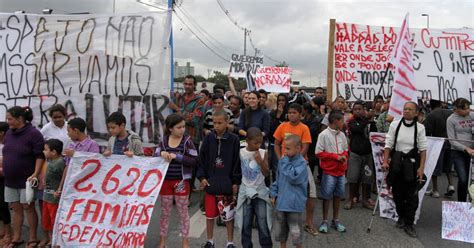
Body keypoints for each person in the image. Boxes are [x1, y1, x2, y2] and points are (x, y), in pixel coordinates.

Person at [382, 102, 427, 238]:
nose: (406, 111)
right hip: (397, 162)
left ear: (416, 113)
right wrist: (385, 161)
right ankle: (401, 217)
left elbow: (423, 149)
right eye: (405, 109)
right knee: (397, 192)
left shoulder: (420, 128)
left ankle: (409, 223)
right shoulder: (395, 125)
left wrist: (421, 167)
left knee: (412, 195)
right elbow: (388, 144)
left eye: (410, 109)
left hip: (412, 164)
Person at [197, 110, 241, 248]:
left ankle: (230, 242)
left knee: (228, 216)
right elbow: (201, 159)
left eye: (220, 123)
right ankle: (210, 240)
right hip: (211, 182)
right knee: (209, 215)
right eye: (214, 123)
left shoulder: (234, 139)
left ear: (227, 122)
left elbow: (236, 162)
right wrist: (202, 177)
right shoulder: (208, 139)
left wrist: (235, 182)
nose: (216, 126)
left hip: (227, 183)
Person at [273, 103, 318, 236]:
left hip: (301, 164)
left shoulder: (304, 128)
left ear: (300, 114)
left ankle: (309, 222)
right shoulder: (282, 126)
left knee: (311, 192)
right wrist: (281, 159)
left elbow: (305, 147)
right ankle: (284, 217)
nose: (291, 115)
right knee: (281, 188)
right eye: (290, 112)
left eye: (294, 113)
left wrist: (296, 160)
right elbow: (276, 144)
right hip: (285, 164)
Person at [2, 106, 44, 248]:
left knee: (28, 207)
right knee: (15, 208)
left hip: (26, 180)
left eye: (10, 119)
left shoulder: (33, 133)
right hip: (10, 180)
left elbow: (39, 156)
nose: (8, 122)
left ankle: (32, 238)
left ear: (20, 119)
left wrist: (35, 174)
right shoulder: (8, 133)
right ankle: (17, 237)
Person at [156, 114, 198, 248]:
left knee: (183, 212)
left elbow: (195, 160)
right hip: (166, 181)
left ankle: (185, 242)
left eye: (183, 126)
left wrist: (178, 157)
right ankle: (163, 241)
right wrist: (160, 153)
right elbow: (154, 155)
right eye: (178, 127)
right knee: (165, 212)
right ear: (170, 129)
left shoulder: (187, 141)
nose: (182, 129)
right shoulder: (163, 141)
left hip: (181, 182)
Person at [235, 128, 272, 248]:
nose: (258, 145)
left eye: (260, 142)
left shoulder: (263, 152)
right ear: (247, 141)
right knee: (245, 224)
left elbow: (266, 173)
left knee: (263, 223)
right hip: (245, 192)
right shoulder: (241, 152)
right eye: (255, 143)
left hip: (260, 192)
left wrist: (260, 162)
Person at [270, 135, 308, 248]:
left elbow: (293, 177)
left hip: (294, 206)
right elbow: (278, 179)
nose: (285, 151)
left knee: (296, 235)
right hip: (281, 204)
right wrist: (273, 193)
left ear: (298, 148)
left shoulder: (301, 163)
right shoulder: (283, 161)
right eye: (284, 148)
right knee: (281, 234)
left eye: (288, 148)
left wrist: (285, 162)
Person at [315, 111, 349, 234]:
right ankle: (324, 220)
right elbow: (318, 152)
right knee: (326, 196)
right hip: (329, 171)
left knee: (338, 196)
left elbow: (345, 149)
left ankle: (336, 219)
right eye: (341, 120)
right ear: (335, 121)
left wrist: (344, 156)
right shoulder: (323, 135)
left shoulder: (342, 135)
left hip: (341, 171)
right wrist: (336, 157)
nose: (343, 122)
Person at [345, 102, 376, 210]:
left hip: (367, 154)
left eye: (360, 109)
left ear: (364, 110)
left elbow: (375, 133)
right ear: (353, 111)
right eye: (355, 109)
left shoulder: (369, 122)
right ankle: (351, 199)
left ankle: (365, 200)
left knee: (367, 178)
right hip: (355, 154)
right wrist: (367, 119)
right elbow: (357, 130)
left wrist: (371, 121)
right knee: (353, 177)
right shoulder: (351, 122)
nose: (358, 111)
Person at [59, 118, 101, 193]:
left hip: (86, 186)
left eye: (69, 131)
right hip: (71, 184)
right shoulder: (71, 144)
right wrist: (61, 187)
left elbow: (93, 165)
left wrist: (75, 154)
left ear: (76, 131)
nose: (68, 134)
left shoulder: (92, 145)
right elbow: (67, 167)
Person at [424, 100, 454, 198]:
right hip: (451, 142)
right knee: (448, 166)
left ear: (431, 106)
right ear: (440, 104)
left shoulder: (431, 115)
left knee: (434, 166)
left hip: (437, 143)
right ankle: (451, 185)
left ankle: (435, 190)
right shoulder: (450, 113)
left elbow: (427, 132)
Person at [446, 98, 473, 202]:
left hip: (472, 151)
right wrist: (466, 149)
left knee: (471, 180)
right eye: (466, 109)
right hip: (458, 152)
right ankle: (461, 203)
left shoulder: (471, 115)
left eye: (469, 108)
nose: (468, 111)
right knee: (463, 178)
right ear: (457, 109)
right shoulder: (451, 120)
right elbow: (452, 140)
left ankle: (470, 201)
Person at [41, 139, 65, 247]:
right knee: (47, 220)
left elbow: (64, 179)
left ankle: (56, 241)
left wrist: (59, 190)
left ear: (54, 152)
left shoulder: (60, 162)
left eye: (46, 149)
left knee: (54, 219)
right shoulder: (50, 161)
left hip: (54, 199)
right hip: (46, 196)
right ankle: (51, 239)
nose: (43, 151)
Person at [269, 93, 289, 182]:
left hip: (287, 145)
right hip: (275, 144)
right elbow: (271, 129)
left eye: (283, 100)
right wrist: (278, 115)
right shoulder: (273, 113)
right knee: (275, 168)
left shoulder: (290, 112)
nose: (281, 103)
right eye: (279, 100)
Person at [0, 122, 12, 247]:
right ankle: (3, 230)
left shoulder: (8, 145)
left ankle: (9, 232)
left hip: (5, 177)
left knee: (3, 205)